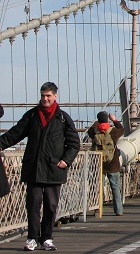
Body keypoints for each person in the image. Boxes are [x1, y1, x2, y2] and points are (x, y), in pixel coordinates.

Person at [0, 82, 80, 251]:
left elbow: (74, 143)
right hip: (34, 168)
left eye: (48, 96)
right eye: (43, 95)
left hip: (54, 169)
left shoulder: (63, 118)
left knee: (51, 205)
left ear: (55, 96)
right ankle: (32, 238)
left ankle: (47, 238)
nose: (45, 99)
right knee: (33, 205)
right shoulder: (31, 115)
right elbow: (15, 134)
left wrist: (66, 160)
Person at [88, 110, 125, 217]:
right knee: (115, 188)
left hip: (99, 164)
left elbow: (90, 131)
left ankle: (97, 209)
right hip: (113, 164)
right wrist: (115, 120)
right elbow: (122, 129)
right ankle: (118, 210)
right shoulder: (113, 132)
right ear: (108, 119)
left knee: (98, 187)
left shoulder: (94, 131)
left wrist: (97, 123)